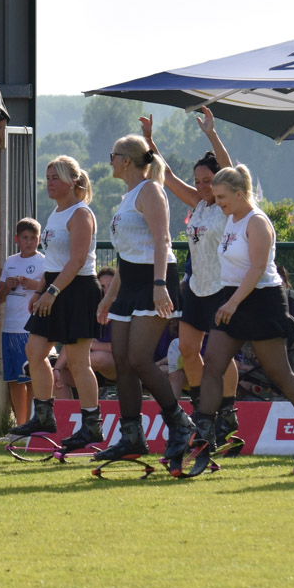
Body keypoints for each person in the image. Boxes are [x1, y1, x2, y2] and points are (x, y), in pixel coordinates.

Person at [197, 165, 294, 475]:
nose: (217, 202)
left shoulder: (257, 222)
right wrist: (228, 299)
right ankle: (204, 437)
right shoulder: (231, 217)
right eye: (216, 197)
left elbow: (257, 267)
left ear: (239, 194)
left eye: (222, 197)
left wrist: (233, 303)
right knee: (212, 365)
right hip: (233, 297)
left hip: (261, 301)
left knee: (279, 373)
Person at [92, 134, 197, 462]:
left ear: (125, 160)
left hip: (155, 279)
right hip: (130, 283)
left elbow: (162, 239)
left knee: (138, 359)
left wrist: (159, 284)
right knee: (122, 361)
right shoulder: (127, 197)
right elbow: (126, 256)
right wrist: (109, 297)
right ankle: (132, 437)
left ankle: (180, 423)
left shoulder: (151, 190)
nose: (110, 161)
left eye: (112, 155)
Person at [143, 110, 242, 446]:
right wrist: (149, 140)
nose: (201, 186)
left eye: (207, 181)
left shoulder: (229, 207)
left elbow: (229, 169)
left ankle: (227, 411)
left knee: (219, 356)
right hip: (197, 288)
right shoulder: (199, 204)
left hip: (222, 288)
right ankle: (203, 410)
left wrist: (212, 133)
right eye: (198, 181)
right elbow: (167, 175)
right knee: (187, 349)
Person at [7, 157, 104, 449]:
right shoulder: (56, 212)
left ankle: (91, 424)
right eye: (48, 177)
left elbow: (77, 260)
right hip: (54, 286)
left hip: (78, 290)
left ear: (72, 182)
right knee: (34, 351)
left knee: (77, 362)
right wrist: (39, 293)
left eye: (55, 178)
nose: (49, 183)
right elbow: (53, 262)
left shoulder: (81, 213)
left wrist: (51, 291)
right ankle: (44, 415)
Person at [0, 218, 45, 430]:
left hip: (30, 328)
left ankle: (34, 424)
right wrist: (8, 286)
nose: (29, 242)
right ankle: (21, 425)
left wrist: (34, 285)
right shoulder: (10, 261)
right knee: (14, 380)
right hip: (10, 328)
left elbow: (50, 290)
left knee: (31, 379)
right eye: (25, 238)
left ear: (39, 239)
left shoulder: (44, 262)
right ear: (16, 239)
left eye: (33, 238)